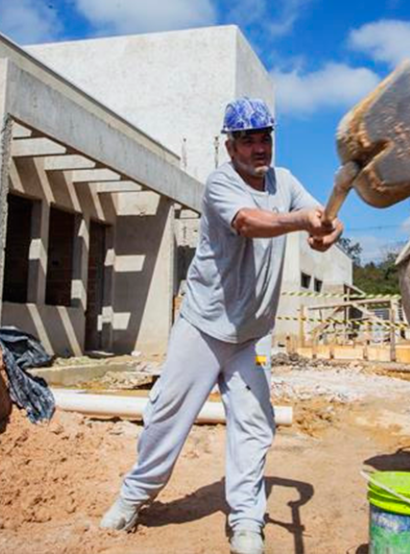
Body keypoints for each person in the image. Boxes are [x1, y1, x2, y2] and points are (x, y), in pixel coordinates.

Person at [100, 97, 343, 554]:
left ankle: (248, 521)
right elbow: (250, 222)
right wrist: (301, 221)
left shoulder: (285, 182)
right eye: (247, 140)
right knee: (167, 415)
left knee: (254, 424)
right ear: (230, 146)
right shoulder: (219, 183)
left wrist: (328, 231)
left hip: (251, 334)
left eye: (264, 137)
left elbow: (320, 222)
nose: (258, 148)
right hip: (204, 326)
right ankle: (134, 497)